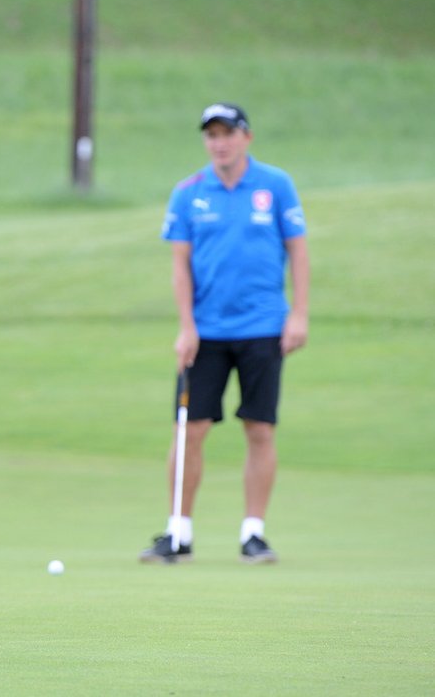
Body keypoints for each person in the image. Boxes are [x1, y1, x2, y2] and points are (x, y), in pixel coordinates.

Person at [139, 103, 309, 565]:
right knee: (189, 429)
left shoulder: (275, 186)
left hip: (263, 328)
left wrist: (299, 314)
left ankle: (253, 533)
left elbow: (297, 250)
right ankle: (179, 533)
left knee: (259, 427)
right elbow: (179, 266)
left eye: (228, 133)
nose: (220, 142)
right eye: (211, 134)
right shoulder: (189, 192)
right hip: (205, 332)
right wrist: (186, 326)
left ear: (246, 137)